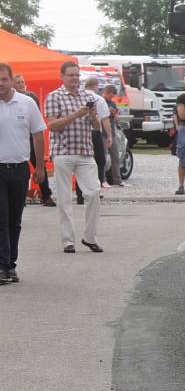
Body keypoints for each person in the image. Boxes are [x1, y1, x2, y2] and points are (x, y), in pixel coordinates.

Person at [44, 61, 104, 254]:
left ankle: (89, 237)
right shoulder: (54, 96)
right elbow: (52, 126)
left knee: (93, 192)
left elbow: (96, 127)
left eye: (77, 75)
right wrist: (76, 114)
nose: (75, 79)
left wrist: (93, 116)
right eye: (71, 75)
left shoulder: (89, 96)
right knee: (64, 198)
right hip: (62, 151)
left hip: (85, 151)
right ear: (62, 77)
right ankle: (68, 240)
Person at [0, 63, 47, 284]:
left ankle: (11, 264)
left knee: (14, 220)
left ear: (11, 80)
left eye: (4, 79)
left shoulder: (27, 103)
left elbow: (38, 134)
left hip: (19, 169)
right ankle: (2, 266)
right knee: (1, 218)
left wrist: (39, 167)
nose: (1, 84)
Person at [12, 73, 55, 206]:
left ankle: (46, 195)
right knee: (17, 167)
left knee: (38, 163)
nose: (20, 84)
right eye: (17, 82)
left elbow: (36, 119)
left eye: (22, 82)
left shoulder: (31, 97)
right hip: (16, 137)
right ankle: (19, 196)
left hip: (31, 135)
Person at [102, 84, 123, 186]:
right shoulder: (100, 102)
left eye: (113, 96)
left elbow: (117, 120)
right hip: (102, 133)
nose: (111, 97)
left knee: (115, 156)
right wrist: (106, 110)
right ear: (106, 92)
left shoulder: (113, 104)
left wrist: (115, 114)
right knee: (103, 157)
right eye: (110, 95)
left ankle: (117, 180)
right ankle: (103, 180)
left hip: (112, 133)